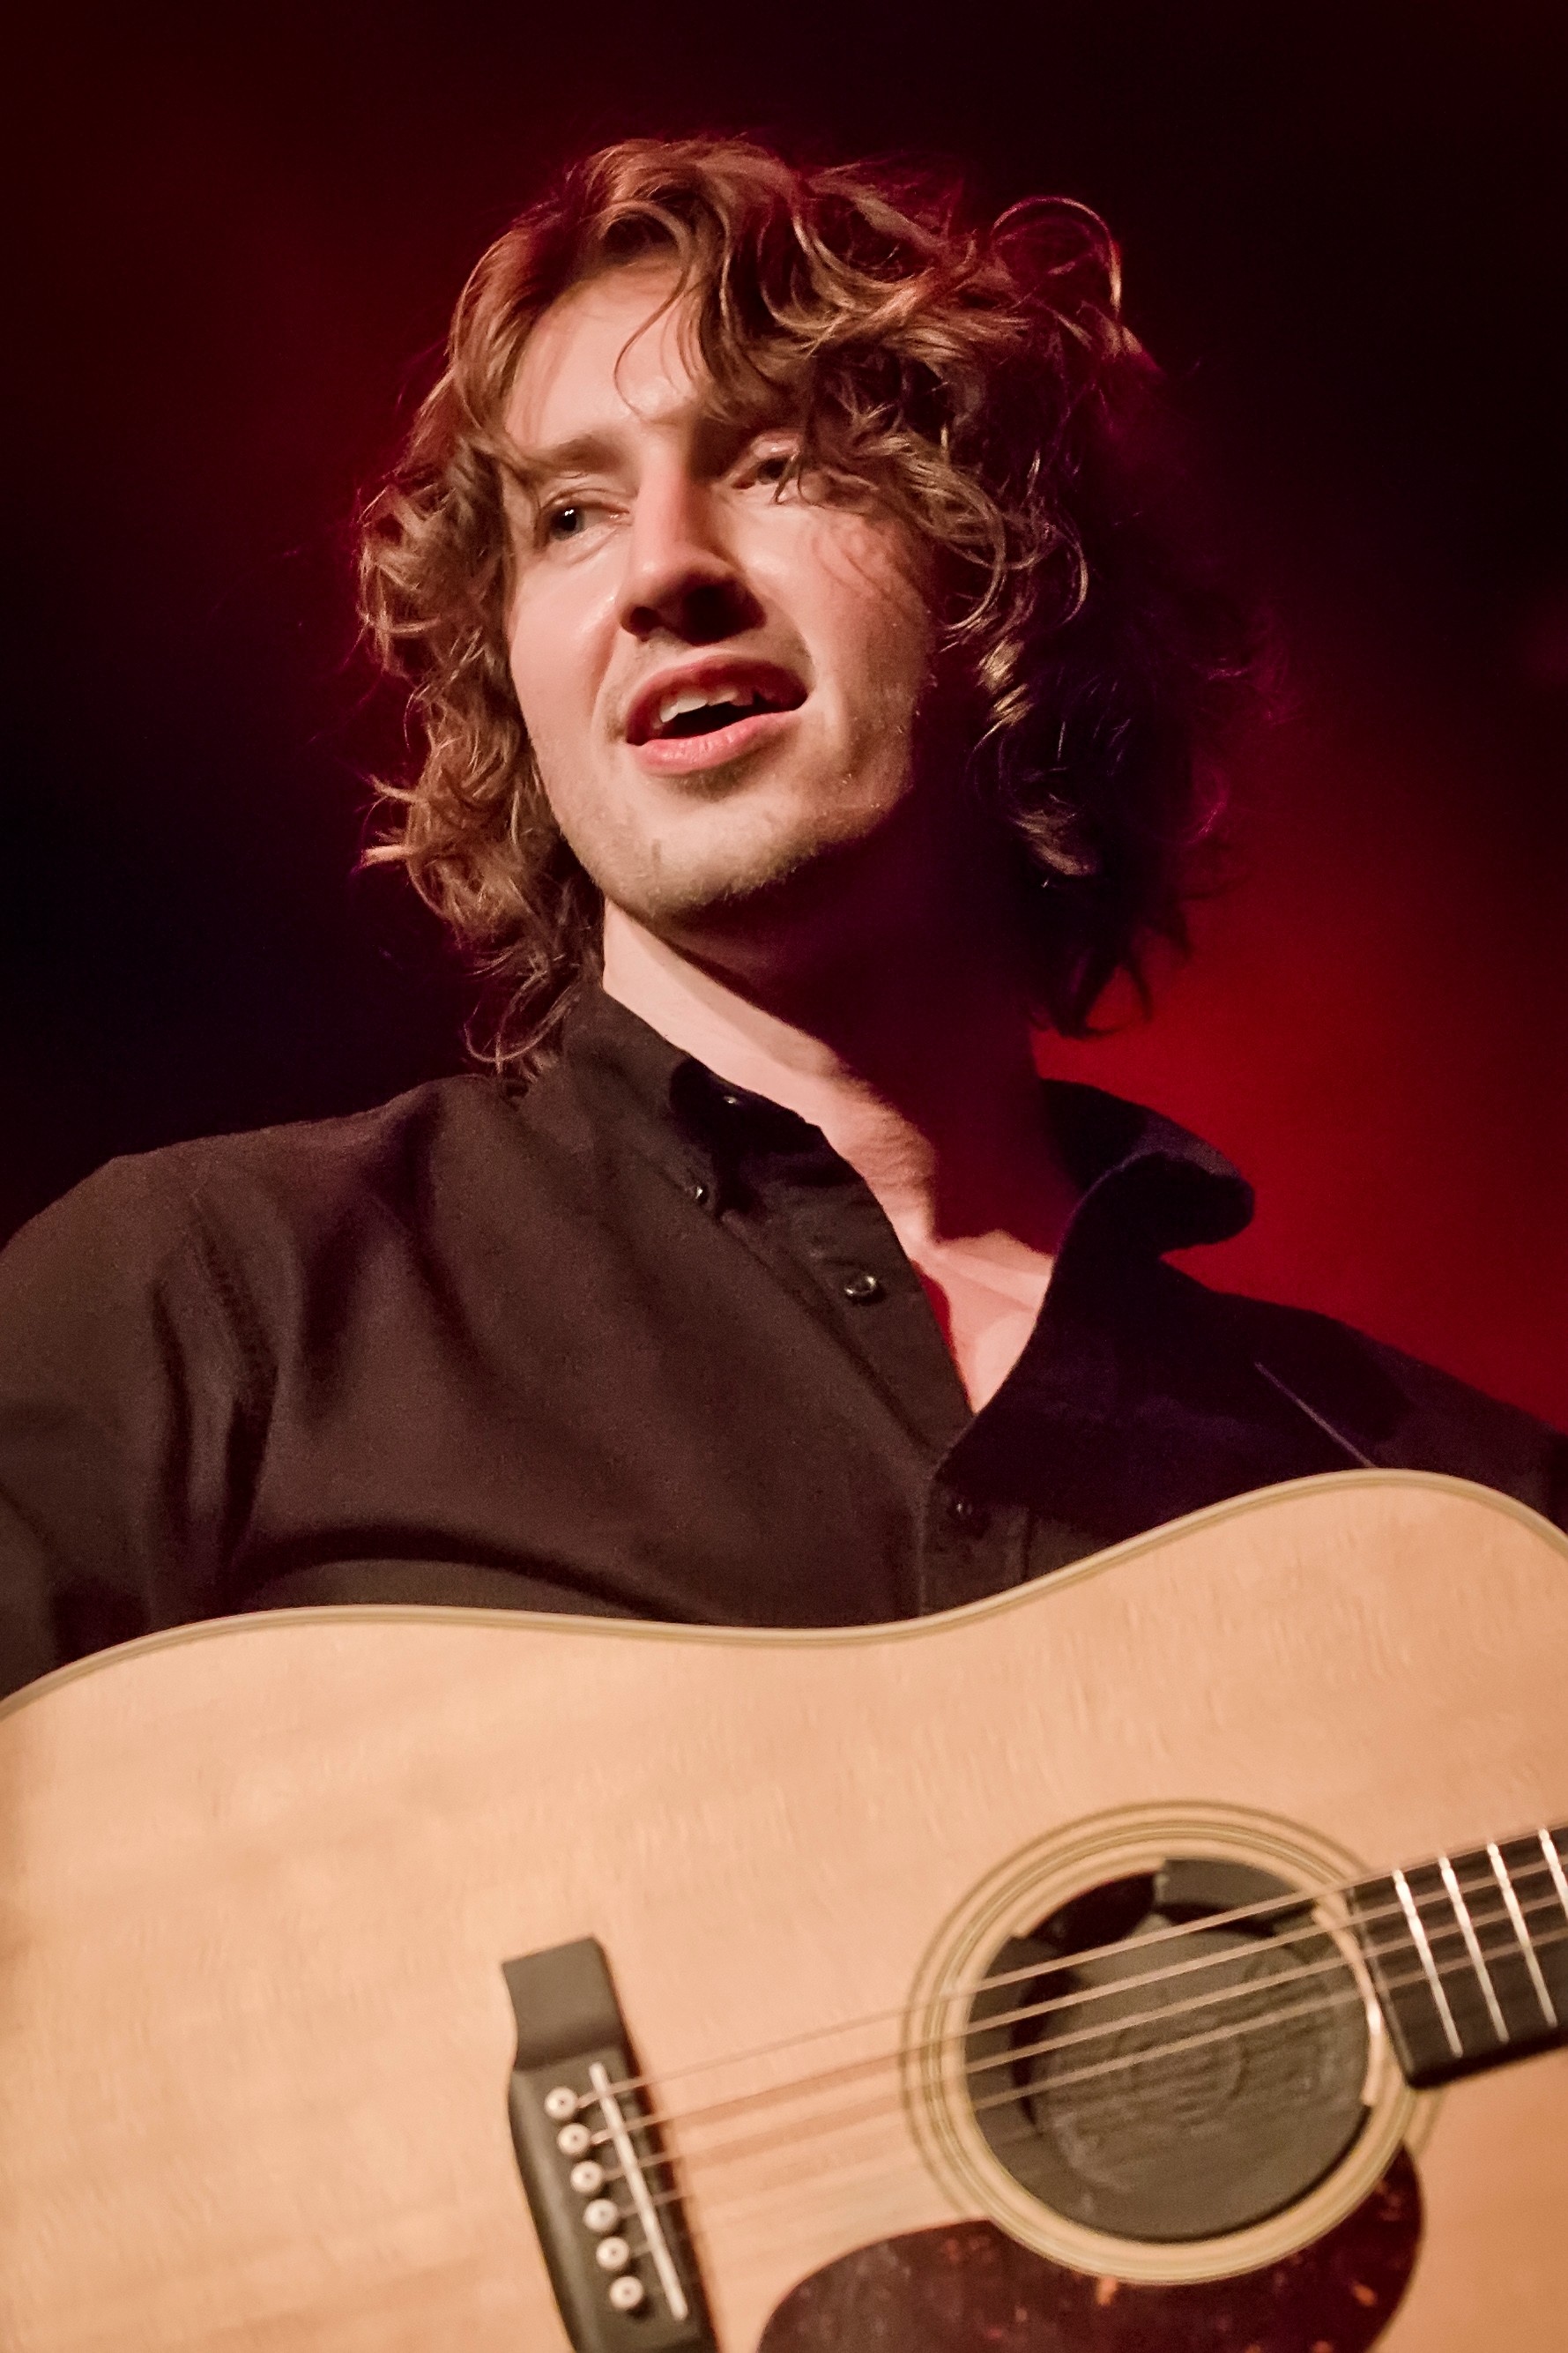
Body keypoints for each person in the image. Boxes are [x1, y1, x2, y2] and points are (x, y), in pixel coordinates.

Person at [0, 137, 1561, 1705]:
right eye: (568, 519)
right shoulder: (204, 1310)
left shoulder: (1460, 1523)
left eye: (778, 466)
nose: (664, 572)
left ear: (1012, 587)